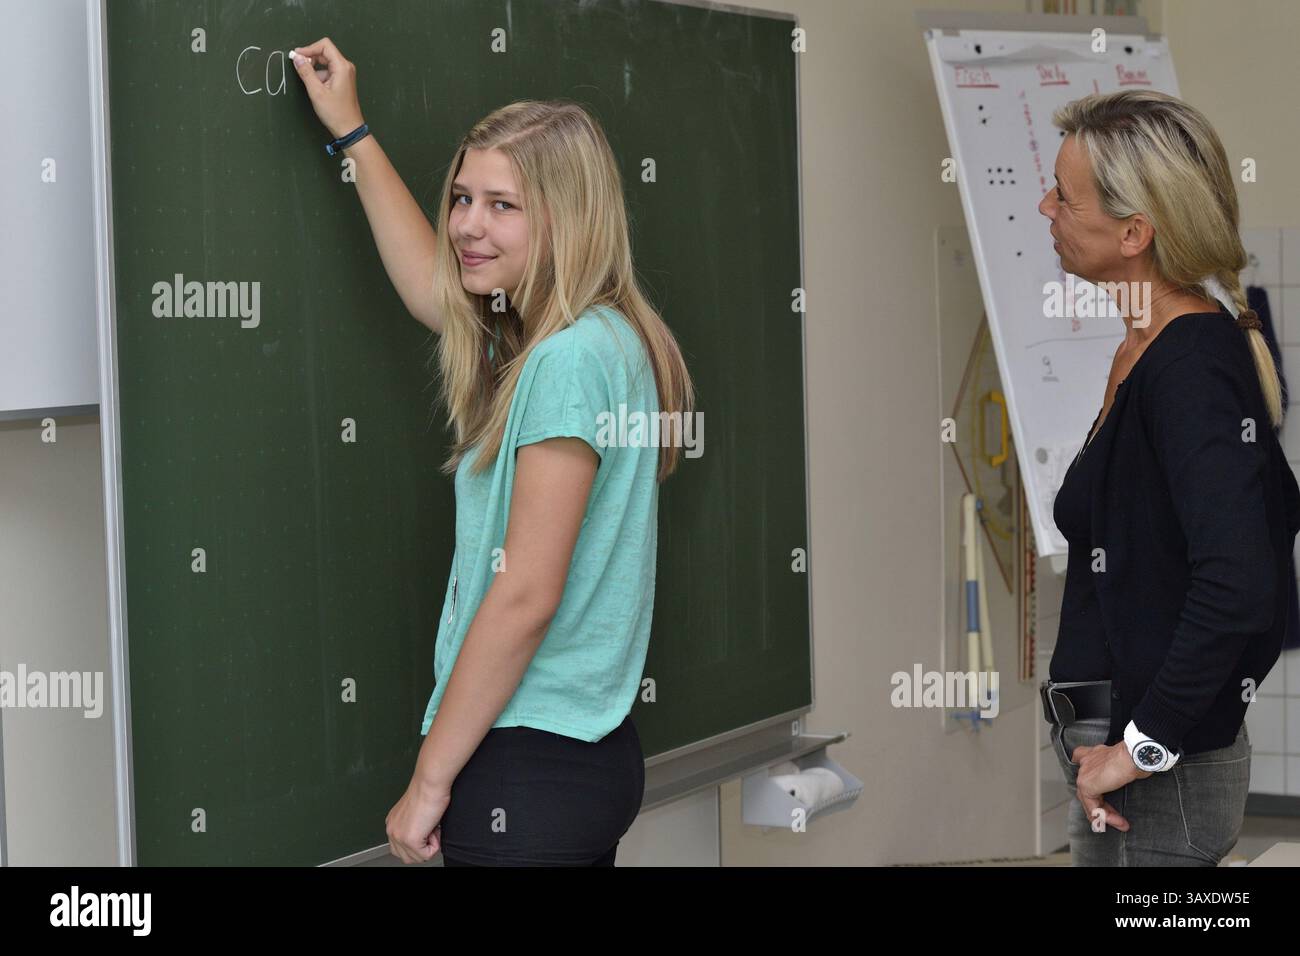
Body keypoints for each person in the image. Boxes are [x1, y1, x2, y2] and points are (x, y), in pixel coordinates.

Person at [290, 38, 694, 866]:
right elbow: (433, 283)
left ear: (564, 217)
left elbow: (525, 595)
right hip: (584, 758)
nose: (469, 225)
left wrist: (430, 779)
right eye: (462, 197)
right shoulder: (601, 339)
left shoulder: (561, 362)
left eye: (503, 206)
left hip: (523, 763)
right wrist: (352, 133)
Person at [1038, 89, 1300, 866]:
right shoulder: (1147, 349)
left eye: (1064, 193)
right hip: (1111, 752)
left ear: (1133, 232)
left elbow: (1241, 577)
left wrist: (1144, 746)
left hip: (1158, 773)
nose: (1044, 204)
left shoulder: (1188, 365)